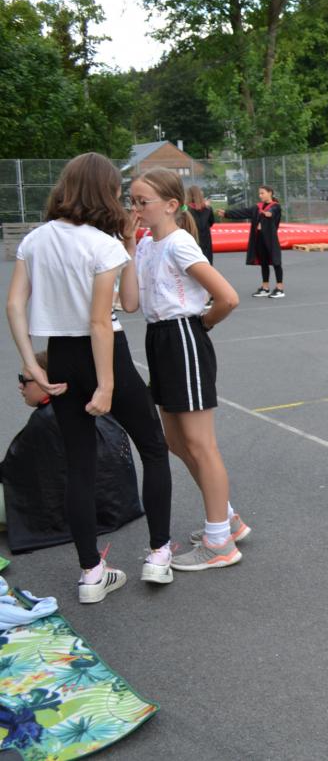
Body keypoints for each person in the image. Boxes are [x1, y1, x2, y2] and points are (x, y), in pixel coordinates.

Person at [5, 152, 175, 604]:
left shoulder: (36, 240)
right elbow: (102, 320)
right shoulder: (101, 245)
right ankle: (159, 553)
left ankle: (91, 573)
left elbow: (14, 304)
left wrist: (31, 363)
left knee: (79, 464)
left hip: (59, 356)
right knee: (153, 448)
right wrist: (106, 384)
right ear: (104, 191)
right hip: (104, 354)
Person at [129, 168, 248, 572]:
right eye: (132, 201)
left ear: (171, 205)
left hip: (182, 337)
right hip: (159, 339)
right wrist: (127, 243)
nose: (136, 208)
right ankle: (228, 519)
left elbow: (227, 297)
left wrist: (203, 325)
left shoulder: (179, 243)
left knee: (200, 444)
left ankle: (219, 543)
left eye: (143, 201)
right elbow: (131, 301)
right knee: (175, 441)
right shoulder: (146, 245)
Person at [1, 350, 143, 554]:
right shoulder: (91, 402)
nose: (20, 386)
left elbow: (14, 472)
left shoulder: (45, 420)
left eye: (25, 380)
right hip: (123, 503)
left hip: (92, 507)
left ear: (49, 381)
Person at [219, 186, 283, 298]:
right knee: (263, 263)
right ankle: (265, 287)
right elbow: (243, 212)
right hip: (259, 238)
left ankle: (279, 288)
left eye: (262, 193)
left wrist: (268, 213)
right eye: (259, 193)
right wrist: (226, 213)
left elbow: (272, 212)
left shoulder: (275, 206)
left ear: (270, 193)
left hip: (271, 239)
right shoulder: (257, 207)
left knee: (276, 262)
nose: (260, 195)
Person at [187, 184, 216, 263]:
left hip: (191, 240)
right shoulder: (207, 209)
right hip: (205, 240)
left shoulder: (186, 210)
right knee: (206, 263)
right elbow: (211, 223)